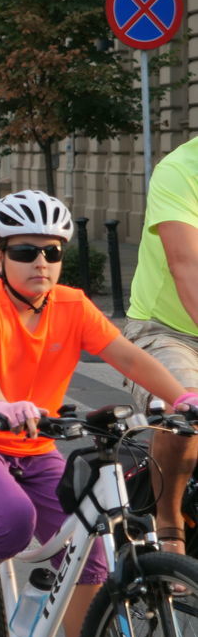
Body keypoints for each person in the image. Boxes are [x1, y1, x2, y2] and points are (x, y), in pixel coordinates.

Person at [0, 190, 195, 637]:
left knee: (90, 547)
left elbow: (126, 354)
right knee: (11, 518)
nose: (41, 263)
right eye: (25, 251)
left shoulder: (72, 305)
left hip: (35, 443)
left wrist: (182, 399)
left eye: (52, 252)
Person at [123, 136, 198, 559]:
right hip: (167, 329)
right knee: (184, 410)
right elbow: (187, 266)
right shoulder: (181, 170)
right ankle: (169, 523)